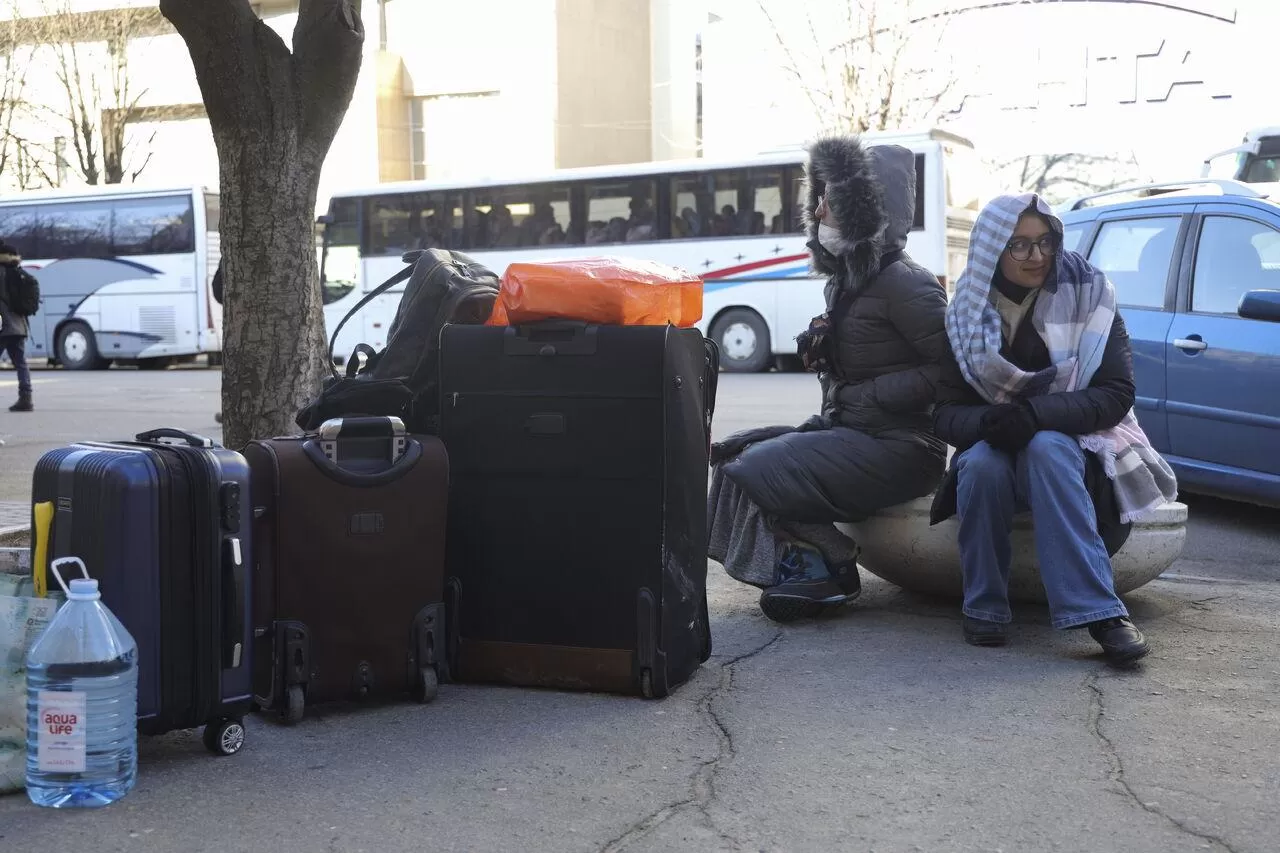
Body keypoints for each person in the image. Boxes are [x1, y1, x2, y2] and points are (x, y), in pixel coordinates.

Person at [708, 134, 951, 623]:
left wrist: (873, 393)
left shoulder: (908, 283)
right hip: (855, 433)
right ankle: (818, 564)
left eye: (831, 200)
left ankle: (825, 565)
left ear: (867, 210)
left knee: (760, 469)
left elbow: (956, 370)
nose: (819, 212)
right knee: (733, 452)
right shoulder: (845, 282)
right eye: (817, 198)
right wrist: (821, 347)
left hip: (902, 447)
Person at [930, 193, 1178, 666]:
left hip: (1075, 452)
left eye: (1045, 241)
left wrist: (1036, 415)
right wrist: (987, 421)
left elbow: (1115, 394)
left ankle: (1099, 611)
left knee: (1046, 448)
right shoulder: (964, 313)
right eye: (1019, 245)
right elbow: (943, 412)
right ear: (992, 251)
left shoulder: (1089, 295)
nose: (1037, 256)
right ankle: (983, 607)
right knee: (980, 463)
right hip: (994, 446)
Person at [0, 242, 36, 412]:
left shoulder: (1, 274)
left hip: (3, 326)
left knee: (20, 362)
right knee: (21, 363)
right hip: (19, 326)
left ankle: (25, 399)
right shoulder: (18, 273)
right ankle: (26, 398)